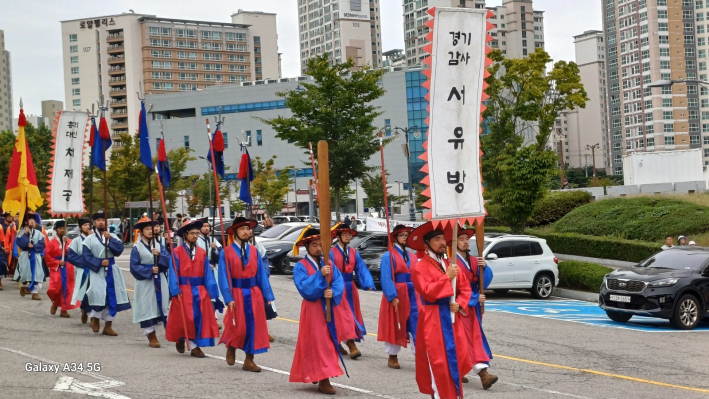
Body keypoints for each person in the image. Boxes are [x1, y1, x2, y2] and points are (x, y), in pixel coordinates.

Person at [409, 222, 472, 399]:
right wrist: (447, 278)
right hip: (433, 318)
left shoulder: (449, 264)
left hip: (451, 317)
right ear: (426, 244)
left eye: (443, 238)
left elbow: (465, 288)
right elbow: (428, 292)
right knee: (438, 363)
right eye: (437, 239)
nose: (442, 242)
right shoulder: (420, 267)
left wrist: (459, 303)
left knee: (457, 358)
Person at [289, 226, 347, 395]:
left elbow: (338, 281)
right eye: (314, 245)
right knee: (315, 342)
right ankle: (321, 377)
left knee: (327, 342)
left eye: (320, 245)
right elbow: (304, 288)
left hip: (328, 307)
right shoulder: (300, 266)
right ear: (307, 246)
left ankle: (324, 377)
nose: (318, 248)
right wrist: (320, 276)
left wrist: (333, 292)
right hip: (312, 309)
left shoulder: (328, 263)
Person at [218, 217, 275, 372]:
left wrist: (267, 295)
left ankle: (249, 360)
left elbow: (261, 275)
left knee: (255, 327)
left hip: (253, 293)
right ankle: (231, 344)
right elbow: (223, 277)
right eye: (242, 229)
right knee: (239, 325)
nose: (246, 232)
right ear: (235, 231)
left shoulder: (254, 251)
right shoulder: (227, 252)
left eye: (247, 229)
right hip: (236, 293)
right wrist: (228, 297)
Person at [166, 219, 222, 358]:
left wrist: (211, 291)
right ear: (185, 235)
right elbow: (173, 272)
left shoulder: (202, 252)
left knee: (199, 318)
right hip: (184, 289)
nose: (195, 236)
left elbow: (207, 273)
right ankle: (182, 338)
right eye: (192, 233)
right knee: (186, 318)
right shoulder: (177, 252)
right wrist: (175, 289)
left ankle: (195, 345)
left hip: (200, 289)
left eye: (197, 233)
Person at [453, 226, 497, 389]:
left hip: (474, 305)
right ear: (454, 242)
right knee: (469, 339)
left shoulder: (473, 260)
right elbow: (454, 287)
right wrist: (472, 298)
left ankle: (458, 370)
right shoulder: (452, 262)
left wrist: (484, 267)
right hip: (461, 305)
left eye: (466, 239)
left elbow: (483, 282)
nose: (465, 242)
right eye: (461, 239)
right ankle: (483, 373)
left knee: (468, 338)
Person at [330, 222, 375, 359]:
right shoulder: (331, 252)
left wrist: (368, 283)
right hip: (337, 288)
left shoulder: (354, 253)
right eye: (345, 234)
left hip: (350, 287)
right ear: (338, 237)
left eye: (349, 234)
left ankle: (339, 343)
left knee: (352, 315)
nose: (348, 237)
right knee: (342, 316)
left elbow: (361, 269)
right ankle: (350, 345)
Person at [82, 211, 131, 336]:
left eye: (103, 220)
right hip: (97, 270)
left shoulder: (112, 236)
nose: (101, 222)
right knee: (97, 293)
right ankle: (96, 319)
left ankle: (108, 325)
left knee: (111, 295)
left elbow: (119, 250)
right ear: (94, 222)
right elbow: (86, 256)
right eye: (98, 220)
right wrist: (98, 262)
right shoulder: (89, 239)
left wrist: (110, 239)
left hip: (112, 269)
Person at [377, 224, 418, 369]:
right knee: (396, 323)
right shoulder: (388, 256)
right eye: (402, 235)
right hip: (398, 292)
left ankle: (420, 356)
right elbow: (386, 277)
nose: (405, 238)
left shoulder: (413, 256)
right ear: (395, 238)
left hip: (413, 293)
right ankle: (392, 355)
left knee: (416, 322)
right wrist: (392, 295)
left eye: (407, 236)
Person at [130, 217, 171, 348]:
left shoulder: (159, 246)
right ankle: (150, 333)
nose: (150, 231)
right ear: (141, 232)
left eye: (151, 229)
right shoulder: (137, 248)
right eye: (147, 229)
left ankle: (164, 329)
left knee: (162, 305)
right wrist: (149, 269)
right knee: (147, 306)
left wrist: (159, 256)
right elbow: (134, 267)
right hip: (146, 282)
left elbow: (169, 261)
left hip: (160, 280)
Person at [45, 220, 79, 318]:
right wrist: (57, 262)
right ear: (56, 230)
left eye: (63, 228)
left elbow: (73, 252)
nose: (62, 230)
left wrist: (67, 244)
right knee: (56, 287)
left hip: (67, 266)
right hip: (57, 267)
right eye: (60, 228)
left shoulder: (69, 241)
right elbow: (48, 256)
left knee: (67, 288)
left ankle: (64, 309)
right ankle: (55, 303)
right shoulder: (51, 243)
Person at [197, 217, 224, 328]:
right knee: (204, 296)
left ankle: (212, 319)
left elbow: (221, 254)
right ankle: (205, 320)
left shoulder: (211, 240)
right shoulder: (197, 240)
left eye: (208, 226)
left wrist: (214, 249)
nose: (207, 228)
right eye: (204, 226)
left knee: (213, 295)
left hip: (213, 271)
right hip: (201, 271)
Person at [15, 210, 46, 300]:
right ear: (26, 222)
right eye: (30, 220)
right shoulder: (21, 232)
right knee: (24, 273)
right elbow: (20, 243)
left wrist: (34, 246)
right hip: (25, 255)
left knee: (38, 273)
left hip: (35, 256)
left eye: (33, 220)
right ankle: (23, 285)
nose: (32, 222)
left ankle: (35, 292)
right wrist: (25, 234)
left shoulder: (39, 233)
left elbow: (42, 244)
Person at [67, 218, 93, 324]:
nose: (87, 227)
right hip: (83, 270)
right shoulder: (76, 241)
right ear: (80, 227)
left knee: (94, 292)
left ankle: (93, 316)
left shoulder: (96, 239)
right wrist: (85, 261)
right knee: (84, 291)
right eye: (85, 225)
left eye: (89, 224)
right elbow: (71, 256)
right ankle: (85, 310)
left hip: (95, 269)